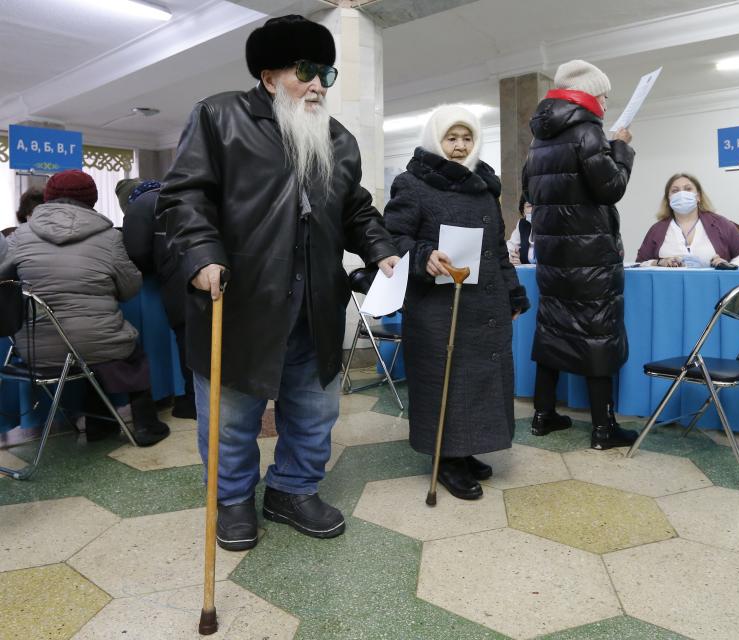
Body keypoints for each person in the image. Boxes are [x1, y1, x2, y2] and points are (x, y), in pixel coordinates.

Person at [157, 15, 399, 551]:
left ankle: (292, 489)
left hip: (316, 301)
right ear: (269, 76)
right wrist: (201, 254)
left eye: (326, 75)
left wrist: (380, 248)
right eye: (307, 72)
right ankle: (234, 499)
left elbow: (356, 208)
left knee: (315, 410)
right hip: (241, 298)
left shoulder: (337, 139)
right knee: (231, 416)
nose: (318, 86)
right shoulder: (219, 116)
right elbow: (186, 195)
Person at [384, 105, 529, 500]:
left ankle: (465, 451)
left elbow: (498, 249)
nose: (460, 146)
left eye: (466, 138)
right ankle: (446, 458)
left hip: (484, 303)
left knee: (480, 379)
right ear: (436, 139)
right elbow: (392, 238)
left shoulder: (484, 186)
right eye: (452, 138)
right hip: (437, 305)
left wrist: (514, 292)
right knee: (444, 378)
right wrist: (423, 255)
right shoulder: (412, 184)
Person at [0, 170, 169, 446]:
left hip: (34, 350)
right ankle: (146, 425)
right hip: (97, 344)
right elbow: (130, 289)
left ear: (49, 197)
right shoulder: (109, 237)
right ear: (92, 199)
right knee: (120, 348)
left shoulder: (21, 236)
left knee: (89, 350)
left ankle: (101, 426)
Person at [523, 59, 639, 450]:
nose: (606, 103)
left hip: (553, 258)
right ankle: (604, 429)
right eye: (604, 95)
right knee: (597, 334)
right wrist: (621, 148)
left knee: (552, 330)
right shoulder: (588, 131)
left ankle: (542, 416)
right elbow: (610, 188)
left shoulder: (539, 139)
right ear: (590, 95)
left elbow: (529, 191)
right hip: (590, 258)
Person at [118, 179, 196, 419]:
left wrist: (155, 267)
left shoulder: (140, 206)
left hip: (175, 282)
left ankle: (193, 402)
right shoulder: (183, 195)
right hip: (205, 274)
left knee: (187, 340)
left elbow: (137, 252)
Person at [636, 173, 739, 267]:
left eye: (688, 189)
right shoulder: (657, 230)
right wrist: (658, 263)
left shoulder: (721, 224)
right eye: (675, 191)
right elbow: (639, 264)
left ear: (698, 197)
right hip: (668, 290)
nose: (682, 194)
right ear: (669, 199)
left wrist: (727, 265)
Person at [506, 194, 535, 265]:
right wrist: (513, 258)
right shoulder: (522, 224)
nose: (534, 210)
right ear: (523, 211)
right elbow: (511, 246)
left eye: (537, 206)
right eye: (529, 206)